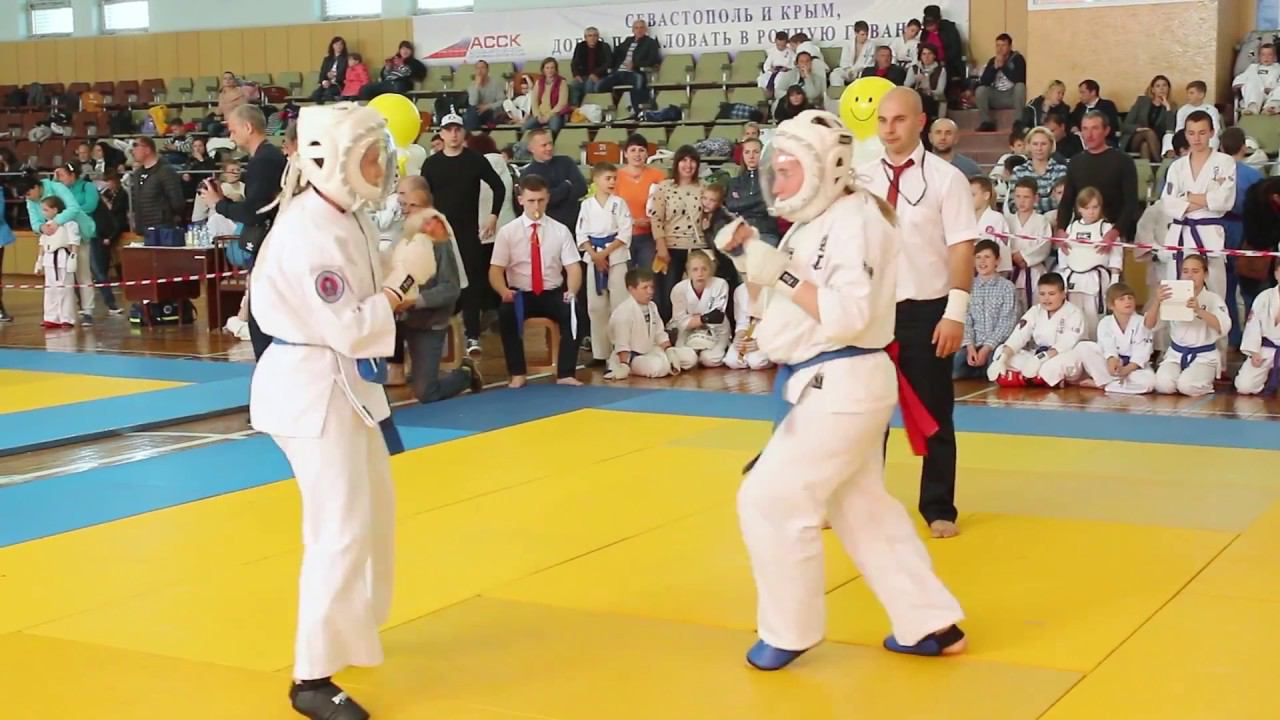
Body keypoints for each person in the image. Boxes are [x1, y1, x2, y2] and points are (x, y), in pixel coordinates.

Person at [714, 109, 965, 669]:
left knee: (769, 499)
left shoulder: (859, 221)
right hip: (828, 381)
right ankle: (929, 622)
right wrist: (749, 256)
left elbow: (847, 315)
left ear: (826, 168)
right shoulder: (818, 220)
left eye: (788, 171)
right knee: (861, 507)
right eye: (775, 171)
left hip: (842, 381)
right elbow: (791, 295)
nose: (779, 183)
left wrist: (779, 271)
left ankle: (790, 631)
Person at [248, 102, 437, 720]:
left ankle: (348, 634)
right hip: (312, 390)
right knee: (339, 529)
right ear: (334, 161)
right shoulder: (307, 231)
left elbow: (365, 277)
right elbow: (351, 323)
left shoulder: (343, 214)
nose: (381, 168)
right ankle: (310, 678)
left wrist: (405, 245)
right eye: (372, 157)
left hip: (345, 385)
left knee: (372, 514)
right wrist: (403, 285)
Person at [859, 87, 977, 539]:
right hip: (872, 310)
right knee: (864, 415)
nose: (889, 129)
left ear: (921, 121)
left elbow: (961, 247)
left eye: (899, 120)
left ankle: (938, 506)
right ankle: (859, 504)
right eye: (882, 120)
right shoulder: (862, 178)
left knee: (934, 412)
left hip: (926, 309)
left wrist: (955, 312)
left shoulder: (948, 179)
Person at [198, 105, 288, 359]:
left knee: (262, 318)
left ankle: (268, 368)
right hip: (273, 243)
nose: (231, 135)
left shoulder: (264, 161)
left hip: (270, 246)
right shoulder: (266, 158)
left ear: (248, 127)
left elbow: (254, 213)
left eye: (233, 130)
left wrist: (219, 204)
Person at [421, 112, 506, 355]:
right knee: (438, 281)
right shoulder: (431, 164)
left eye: (457, 129)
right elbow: (424, 196)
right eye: (449, 130)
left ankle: (473, 335)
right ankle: (436, 334)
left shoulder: (475, 160)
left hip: (468, 231)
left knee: (472, 284)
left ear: (463, 132)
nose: (453, 134)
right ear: (441, 133)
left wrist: (493, 215)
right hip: (440, 232)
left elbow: (498, 187)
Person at [489, 174, 583, 388]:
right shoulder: (508, 232)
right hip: (520, 294)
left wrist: (572, 291)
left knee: (575, 313)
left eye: (541, 200)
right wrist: (503, 290)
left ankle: (565, 372)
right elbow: (496, 270)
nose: (536, 206)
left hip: (552, 292)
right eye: (531, 201)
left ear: (547, 199)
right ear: (521, 200)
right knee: (506, 314)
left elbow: (573, 267)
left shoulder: (560, 230)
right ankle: (517, 373)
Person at [397, 209, 485, 403]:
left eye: (411, 204)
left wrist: (415, 300)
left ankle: (466, 374)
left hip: (428, 322)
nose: (405, 208)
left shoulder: (441, 246)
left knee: (426, 393)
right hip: (399, 318)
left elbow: (450, 289)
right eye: (403, 202)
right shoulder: (400, 243)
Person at [1156, 110, 1235, 303]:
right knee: (1176, 297)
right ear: (1185, 134)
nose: (1196, 138)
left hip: (1209, 235)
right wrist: (1207, 200)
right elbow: (1168, 203)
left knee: (1214, 295)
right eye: (1191, 133)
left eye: (1202, 132)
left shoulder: (1225, 162)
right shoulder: (1177, 166)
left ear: (1212, 133)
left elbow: (1225, 200)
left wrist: (1187, 197)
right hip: (1180, 235)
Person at [1145, 254, 1230, 396]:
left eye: (1195, 271)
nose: (1190, 275)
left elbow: (1223, 327)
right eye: (1185, 271)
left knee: (1187, 386)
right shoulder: (1171, 296)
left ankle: (1204, 382)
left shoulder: (1213, 299)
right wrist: (1157, 301)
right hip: (1176, 354)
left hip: (1204, 357)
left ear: (1205, 274)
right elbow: (1149, 325)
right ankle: (1182, 378)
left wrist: (1199, 310)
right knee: (1163, 385)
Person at [1055, 111, 1140, 252]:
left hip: (1112, 233)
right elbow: (1067, 201)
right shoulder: (1075, 162)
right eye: (1085, 129)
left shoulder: (1123, 161)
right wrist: (1061, 229)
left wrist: (1115, 232)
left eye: (1094, 128)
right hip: (1081, 231)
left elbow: (1131, 203)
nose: (1089, 135)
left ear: (1106, 130)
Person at [576, 162, 633, 366]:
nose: (612, 182)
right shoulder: (586, 205)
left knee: (619, 304)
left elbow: (625, 232)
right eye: (608, 178)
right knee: (596, 306)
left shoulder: (619, 203)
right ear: (595, 180)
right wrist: (595, 255)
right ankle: (600, 353)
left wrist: (605, 254)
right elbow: (581, 234)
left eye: (614, 178)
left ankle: (621, 352)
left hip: (616, 257)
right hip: (593, 257)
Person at [987, 272, 1086, 387]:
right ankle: (1037, 377)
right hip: (1037, 355)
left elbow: (1067, 344)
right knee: (1000, 351)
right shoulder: (1035, 311)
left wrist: (1041, 358)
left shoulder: (1074, 313)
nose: (1046, 298)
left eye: (1051, 294)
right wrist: (1002, 359)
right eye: (1042, 294)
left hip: (1060, 356)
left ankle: (1027, 377)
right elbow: (1018, 336)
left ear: (1063, 294)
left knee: (1053, 366)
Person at [649, 145, 707, 321]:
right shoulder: (664, 187)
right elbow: (656, 218)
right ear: (676, 163)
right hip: (671, 247)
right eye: (684, 160)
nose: (688, 165)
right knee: (669, 293)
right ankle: (668, 328)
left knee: (699, 294)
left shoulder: (704, 187)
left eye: (692, 161)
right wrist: (661, 246)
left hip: (698, 247)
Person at [55, 161, 117, 321]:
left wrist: (70, 211)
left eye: (62, 175)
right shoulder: (62, 190)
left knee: (96, 270)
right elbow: (56, 205)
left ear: (72, 175)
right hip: (70, 235)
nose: (60, 178)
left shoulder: (87, 187)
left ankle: (111, 303)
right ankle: (83, 305)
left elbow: (90, 205)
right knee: (73, 271)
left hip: (88, 233)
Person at [1222, 127, 1266, 346]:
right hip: (1248, 232)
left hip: (1219, 230)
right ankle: (1253, 339)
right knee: (1251, 288)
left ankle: (1232, 339)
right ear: (1244, 147)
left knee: (1226, 288)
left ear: (1221, 147)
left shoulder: (1216, 174)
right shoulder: (1255, 176)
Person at [605, 266, 687, 379]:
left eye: (651, 287)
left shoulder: (652, 306)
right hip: (632, 358)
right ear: (631, 289)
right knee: (659, 368)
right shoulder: (623, 312)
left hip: (650, 351)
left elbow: (659, 333)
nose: (650, 291)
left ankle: (666, 362)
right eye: (645, 288)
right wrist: (624, 365)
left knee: (689, 357)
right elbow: (622, 343)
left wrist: (669, 351)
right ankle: (630, 368)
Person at [1074, 283, 1157, 394]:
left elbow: (1142, 353)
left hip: (1134, 368)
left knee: (1149, 383)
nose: (1127, 301)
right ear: (1111, 305)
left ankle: (1104, 384)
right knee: (1083, 346)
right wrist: (1112, 360)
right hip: (1112, 367)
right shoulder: (1105, 322)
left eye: (1130, 298)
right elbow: (1107, 347)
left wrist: (1126, 369)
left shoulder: (1141, 322)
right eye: (1121, 299)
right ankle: (1108, 381)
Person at [954, 240, 1016, 379]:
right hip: (972, 344)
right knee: (955, 371)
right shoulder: (969, 286)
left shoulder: (1007, 287)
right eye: (978, 257)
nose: (982, 261)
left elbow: (1007, 323)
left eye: (987, 257)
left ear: (997, 260)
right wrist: (970, 346)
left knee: (994, 373)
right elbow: (965, 319)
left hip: (995, 345)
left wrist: (987, 348)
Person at [667, 249, 730, 368]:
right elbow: (680, 322)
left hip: (716, 329)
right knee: (688, 360)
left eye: (704, 269)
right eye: (695, 269)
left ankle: (723, 348)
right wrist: (704, 318)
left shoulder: (720, 284)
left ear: (710, 270)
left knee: (709, 360)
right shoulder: (679, 289)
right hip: (687, 331)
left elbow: (717, 316)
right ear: (688, 272)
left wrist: (695, 318)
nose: (700, 274)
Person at [520, 127, 587, 232]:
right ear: (531, 148)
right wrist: (566, 186)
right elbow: (544, 200)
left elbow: (582, 188)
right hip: (549, 228)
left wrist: (554, 194)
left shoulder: (566, 162)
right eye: (544, 145)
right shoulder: (528, 174)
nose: (549, 148)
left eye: (550, 143)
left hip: (576, 224)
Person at [616, 134, 665, 271]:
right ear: (625, 154)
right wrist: (633, 222)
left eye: (641, 150)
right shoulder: (616, 177)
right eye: (633, 150)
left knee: (648, 276)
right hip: (623, 236)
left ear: (647, 153)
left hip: (650, 236)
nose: (637, 154)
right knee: (625, 276)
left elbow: (665, 203)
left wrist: (653, 221)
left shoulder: (658, 175)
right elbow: (611, 208)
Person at [1005, 177, 1053, 313]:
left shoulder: (1042, 221)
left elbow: (1044, 245)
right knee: (1012, 310)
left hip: (1034, 272)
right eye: (1018, 196)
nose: (1021, 201)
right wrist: (1012, 256)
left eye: (1026, 197)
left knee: (1036, 310)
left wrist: (1024, 256)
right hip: (1012, 270)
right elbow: (1002, 244)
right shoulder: (1007, 220)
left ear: (1035, 198)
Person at [129, 136, 186, 247]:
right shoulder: (137, 174)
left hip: (164, 229)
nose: (133, 151)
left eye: (136, 146)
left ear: (147, 149)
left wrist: (167, 217)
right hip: (147, 228)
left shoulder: (165, 171)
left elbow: (177, 201)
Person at [35, 196, 80, 329]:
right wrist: (39, 261)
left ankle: (67, 318)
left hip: (63, 257)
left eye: (46, 209)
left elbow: (74, 241)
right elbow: (42, 243)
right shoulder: (46, 225)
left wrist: (73, 257)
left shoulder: (69, 223)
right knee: (50, 289)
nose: (43, 212)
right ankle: (51, 317)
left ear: (55, 209)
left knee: (65, 289)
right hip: (49, 258)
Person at [597, 18, 661, 112]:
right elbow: (616, 54)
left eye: (641, 28)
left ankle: (638, 111)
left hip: (635, 72)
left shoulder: (650, 43)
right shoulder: (628, 41)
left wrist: (635, 65)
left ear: (645, 30)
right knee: (599, 86)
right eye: (636, 28)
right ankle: (614, 105)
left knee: (639, 84)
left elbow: (653, 60)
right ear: (633, 30)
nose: (639, 30)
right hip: (619, 72)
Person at [725, 138, 779, 245]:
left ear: (762, 154)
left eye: (756, 152)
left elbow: (768, 205)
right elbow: (731, 205)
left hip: (765, 232)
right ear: (743, 155)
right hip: (741, 233)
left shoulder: (772, 179)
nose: (751, 156)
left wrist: (743, 204)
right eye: (747, 152)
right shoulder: (735, 182)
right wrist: (760, 199)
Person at [1235, 263, 1280, 394]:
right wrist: (1254, 351)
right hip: (1266, 349)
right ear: (1276, 274)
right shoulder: (1264, 297)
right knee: (1244, 386)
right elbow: (1253, 325)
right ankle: (1266, 378)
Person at [1008, 126, 1068, 214]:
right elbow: (1012, 204)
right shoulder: (1018, 171)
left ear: (1051, 145)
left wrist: (1028, 201)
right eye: (1035, 144)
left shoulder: (1061, 170)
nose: (1039, 148)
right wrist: (1047, 199)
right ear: (1028, 146)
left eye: (1043, 144)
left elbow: (1062, 201)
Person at [975, 33, 1027, 132]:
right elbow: (984, 82)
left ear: (1010, 46)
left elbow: (1019, 79)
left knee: (1020, 86)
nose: (1000, 48)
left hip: (1012, 96)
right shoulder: (992, 61)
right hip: (996, 96)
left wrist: (1003, 66)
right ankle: (986, 122)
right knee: (980, 90)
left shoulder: (1018, 59)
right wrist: (994, 68)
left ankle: (1019, 122)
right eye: (997, 45)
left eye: (1003, 45)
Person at [1120, 75, 1176, 164]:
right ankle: (1161, 165)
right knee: (1148, 132)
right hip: (1135, 138)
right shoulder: (1142, 101)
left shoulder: (1172, 106)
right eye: (1158, 86)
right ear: (1152, 90)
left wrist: (1168, 108)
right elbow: (1125, 125)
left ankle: (1148, 172)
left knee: (1145, 146)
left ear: (1168, 88)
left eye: (1164, 85)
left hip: (1157, 142)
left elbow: (1170, 130)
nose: (1161, 88)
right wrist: (1139, 129)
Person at [723, 281, 772, 371]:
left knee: (756, 362)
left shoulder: (776, 289)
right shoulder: (740, 290)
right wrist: (739, 338)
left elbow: (779, 325)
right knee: (732, 361)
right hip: (751, 330)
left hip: (770, 333)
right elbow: (742, 323)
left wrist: (762, 342)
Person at [359, 41, 426, 100]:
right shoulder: (393, 60)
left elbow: (414, 74)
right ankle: (370, 108)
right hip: (386, 83)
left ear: (411, 51)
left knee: (397, 86)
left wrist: (401, 65)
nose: (405, 51)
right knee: (365, 89)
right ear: (399, 50)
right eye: (403, 49)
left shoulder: (414, 63)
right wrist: (387, 68)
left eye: (407, 49)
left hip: (401, 83)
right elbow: (384, 76)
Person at [971, 177, 1010, 277]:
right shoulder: (964, 218)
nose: (968, 199)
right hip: (967, 270)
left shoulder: (997, 218)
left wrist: (1001, 274)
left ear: (986, 195)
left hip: (991, 274)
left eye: (973, 195)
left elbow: (1003, 249)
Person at [523, 57, 571, 137]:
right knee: (525, 128)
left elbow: (562, 103)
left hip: (555, 114)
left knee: (554, 128)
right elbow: (534, 102)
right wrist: (538, 116)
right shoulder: (539, 82)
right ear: (543, 69)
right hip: (540, 114)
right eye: (547, 68)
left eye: (552, 68)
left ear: (556, 69)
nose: (550, 70)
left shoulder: (562, 82)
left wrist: (548, 116)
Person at [570, 27, 613, 106]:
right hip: (584, 76)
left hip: (600, 76)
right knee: (574, 84)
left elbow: (608, 63)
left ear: (598, 37)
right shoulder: (580, 46)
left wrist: (595, 73)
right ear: (585, 37)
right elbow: (574, 63)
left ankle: (588, 107)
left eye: (595, 35)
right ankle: (575, 108)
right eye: (590, 36)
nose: (592, 38)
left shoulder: (604, 46)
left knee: (589, 83)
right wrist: (576, 75)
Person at [1233, 43, 1280, 115]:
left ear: (1275, 57)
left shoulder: (1278, 68)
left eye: (1269, 55)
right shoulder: (1253, 67)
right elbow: (1241, 78)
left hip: (1271, 94)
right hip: (1256, 93)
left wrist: (1273, 88)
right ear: (1259, 57)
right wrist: (1239, 84)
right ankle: (1252, 108)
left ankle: (1271, 107)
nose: (1266, 57)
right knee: (1251, 82)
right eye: (1263, 55)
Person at [829, 20, 874, 87]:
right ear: (856, 33)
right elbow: (843, 61)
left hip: (861, 72)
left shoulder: (871, 44)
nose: (865, 37)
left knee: (866, 75)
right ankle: (840, 92)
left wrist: (856, 70)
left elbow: (869, 64)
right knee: (834, 75)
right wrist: (849, 71)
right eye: (862, 34)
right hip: (848, 71)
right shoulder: (848, 44)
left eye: (867, 34)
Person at [464, 60, 506, 131]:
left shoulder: (495, 84)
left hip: (492, 112)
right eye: (477, 68)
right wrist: (477, 85)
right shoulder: (472, 85)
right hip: (477, 113)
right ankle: (474, 132)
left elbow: (502, 101)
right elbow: (473, 103)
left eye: (482, 68)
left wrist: (487, 106)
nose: (480, 71)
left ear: (487, 70)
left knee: (470, 115)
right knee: (472, 110)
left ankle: (472, 133)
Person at [913, 44, 948, 121]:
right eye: (924, 54)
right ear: (920, 56)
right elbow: (906, 86)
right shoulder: (914, 68)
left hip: (933, 99)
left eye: (930, 54)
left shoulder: (940, 70)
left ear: (934, 56)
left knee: (925, 98)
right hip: (916, 98)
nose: (926, 57)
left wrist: (928, 89)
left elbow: (940, 91)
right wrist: (915, 80)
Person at [310, 36, 348, 104]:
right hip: (327, 84)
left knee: (327, 93)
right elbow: (322, 73)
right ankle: (321, 109)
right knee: (315, 94)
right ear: (332, 46)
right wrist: (324, 81)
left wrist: (335, 76)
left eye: (341, 44)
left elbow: (347, 74)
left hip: (339, 84)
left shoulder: (346, 59)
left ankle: (332, 108)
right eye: (336, 44)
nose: (339, 46)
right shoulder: (327, 59)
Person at [758, 30, 794, 97]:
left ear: (786, 43)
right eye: (778, 45)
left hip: (785, 72)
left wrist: (788, 68)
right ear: (775, 41)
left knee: (779, 80)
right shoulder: (772, 51)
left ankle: (777, 96)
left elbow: (794, 65)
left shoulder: (791, 52)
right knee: (762, 79)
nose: (780, 47)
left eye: (782, 45)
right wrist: (770, 69)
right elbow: (766, 65)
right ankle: (766, 96)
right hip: (774, 71)